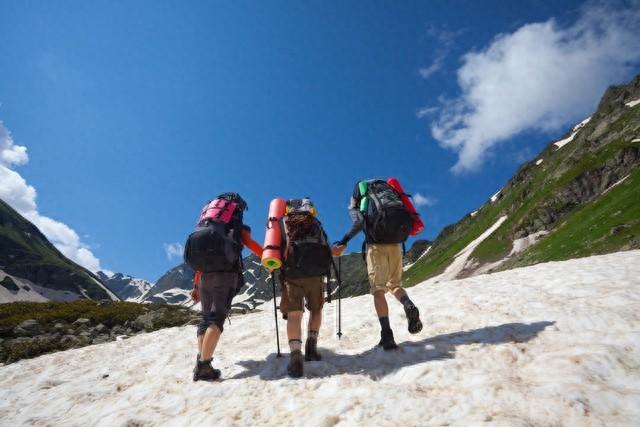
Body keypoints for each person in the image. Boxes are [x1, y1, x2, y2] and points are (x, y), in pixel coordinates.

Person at [332, 180, 422, 350]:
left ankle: (387, 335)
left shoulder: (360, 202)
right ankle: (408, 304)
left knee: (378, 290)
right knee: (395, 285)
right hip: (396, 244)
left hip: (376, 246)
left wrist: (343, 241)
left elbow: (359, 223)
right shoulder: (391, 195)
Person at [188, 193, 263, 381]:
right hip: (226, 274)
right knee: (216, 318)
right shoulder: (237, 226)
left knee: (205, 318)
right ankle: (204, 366)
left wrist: (196, 286)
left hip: (204, 275)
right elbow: (252, 245)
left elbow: (200, 264)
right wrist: (270, 257)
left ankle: (202, 360)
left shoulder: (205, 224)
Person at [279, 198, 332, 378]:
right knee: (316, 310)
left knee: (294, 315)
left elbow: (277, 250)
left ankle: (295, 357)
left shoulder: (284, 223)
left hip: (292, 274)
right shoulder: (315, 223)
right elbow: (326, 247)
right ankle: (311, 347)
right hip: (315, 274)